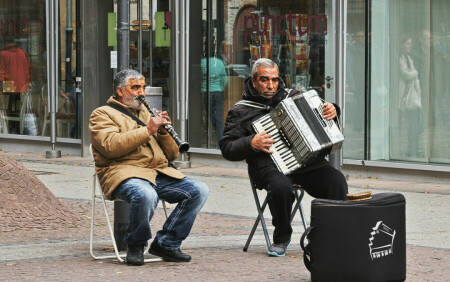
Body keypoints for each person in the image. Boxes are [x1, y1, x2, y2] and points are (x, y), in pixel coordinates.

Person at [220, 58, 348, 257]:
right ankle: (282, 237)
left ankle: (322, 236)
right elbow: (227, 148)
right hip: (267, 164)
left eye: (274, 80)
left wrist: (333, 110)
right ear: (253, 81)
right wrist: (251, 143)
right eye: (264, 80)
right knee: (281, 187)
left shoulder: (294, 96)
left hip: (305, 162)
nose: (270, 85)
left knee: (336, 181)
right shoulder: (240, 110)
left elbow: (322, 112)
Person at [89, 69, 209, 266]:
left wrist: (163, 133)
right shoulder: (102, 114)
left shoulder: (146, 113)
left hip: (157, 172)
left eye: (143, 87)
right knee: (146, 194)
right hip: (123, 173)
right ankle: (136, 245)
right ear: (120, 91)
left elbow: (171, 155)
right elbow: (110, 146)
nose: (142, 92)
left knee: (199, 190)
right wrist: (148, 130)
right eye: (135, 87)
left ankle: (167, 244)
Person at [201, 48, 228, 147]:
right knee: (219, 118)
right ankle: (220, 142)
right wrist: (220, 88)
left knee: (207, 117)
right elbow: (225, 79)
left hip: (205, 92)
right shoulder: (220, 63)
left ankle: (206, 141)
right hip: (218, 92)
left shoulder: (202, 62)